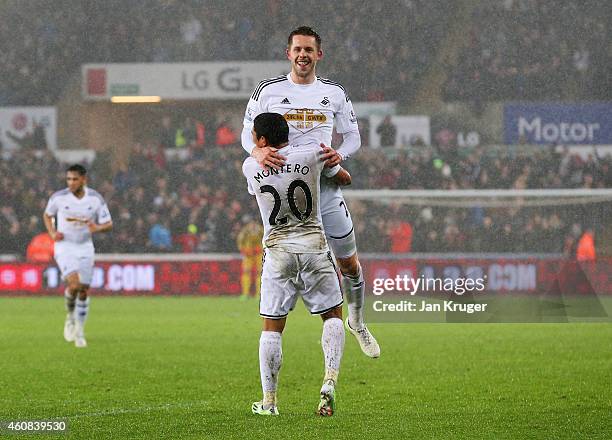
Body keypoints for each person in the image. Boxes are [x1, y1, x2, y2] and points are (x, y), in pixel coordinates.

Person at [241, 26, 380, 359]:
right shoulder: (268, 90)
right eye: (297, 49)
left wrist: (340, 155)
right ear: (288, 53)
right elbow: (247, 134)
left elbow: (354, 138)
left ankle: (357, 321)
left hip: (326, 187)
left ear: (319, 54)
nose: (303, 55)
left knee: (349, 263)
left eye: (309, 50)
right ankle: (287, 319)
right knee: (284, 255)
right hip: (288, 189)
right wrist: (257, 152)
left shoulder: (333, 93)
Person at [243, 113, 351, 416]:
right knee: (332, 316)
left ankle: (269, 402)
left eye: (254, 136)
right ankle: (329, 381)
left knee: (272, 327)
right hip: (314, 245)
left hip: (277, 250)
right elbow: (344, 178)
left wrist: (259, 155)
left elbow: (259, 171)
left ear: (262, 140)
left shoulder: (251, 166)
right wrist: (334, 167)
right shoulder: (313, 153)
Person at [43, 164, 113, 348]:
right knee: (74, 284)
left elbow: (108, 223)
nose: (71, 183)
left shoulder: (95, 199)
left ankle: (80, 330)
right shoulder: (59, 197)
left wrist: (96, 228)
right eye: (68, 179)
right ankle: (70, 318)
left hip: (85, 247)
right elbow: (47, 215)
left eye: (74, 179)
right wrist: (52, 233)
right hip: (65, 246)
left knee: (84, 290)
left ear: (84, 179)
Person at [236, 217, 264, 300]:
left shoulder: (260, 230)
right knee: (246, 272)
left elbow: (266, 240)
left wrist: (262, 248)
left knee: (259, 273)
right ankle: (245, 293)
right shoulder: (245, 231)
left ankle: (259, 294)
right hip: (249, 254)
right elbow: (240, 241)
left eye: (254, 223)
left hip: (259, 254)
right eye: (251, 224)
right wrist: (244, 250)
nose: (253, 225)